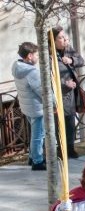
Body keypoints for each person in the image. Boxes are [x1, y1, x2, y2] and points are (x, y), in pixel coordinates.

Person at [50, 26, 85, 159]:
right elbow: (48, 77)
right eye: (60, 37)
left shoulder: (68, 49)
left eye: (65, 36)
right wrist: (65, 84)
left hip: (72, 93)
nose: (64, 39)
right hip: (59, 94)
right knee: (60, 123)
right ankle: (61, 149)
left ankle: (70, 148)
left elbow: (81, 60)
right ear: (53, 41)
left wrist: (71, 60)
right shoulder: (49, 56)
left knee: (70, 121)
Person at [12, 42, 46, 171]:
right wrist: (54, 103)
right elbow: (42, 91)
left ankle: (32, 157)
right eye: (36, 55)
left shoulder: (17, 67)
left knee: (35, 134)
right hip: (37, 108)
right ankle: (37, 161)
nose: (38, 57)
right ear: (30, 56)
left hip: (27, 107)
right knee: (38, 136)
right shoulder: (31, 72)